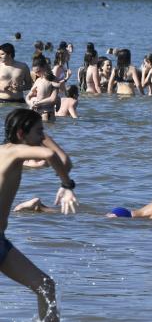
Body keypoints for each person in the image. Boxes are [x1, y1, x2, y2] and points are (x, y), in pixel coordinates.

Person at [1, 108, 79, 322]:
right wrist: (67, 185)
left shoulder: (12, 154)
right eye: (39, 132)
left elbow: (64, 161)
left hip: (1, 242)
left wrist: (39, 135)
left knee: (45, 285)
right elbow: (50, 155)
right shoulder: (14, 152)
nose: (44, 137)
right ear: (20, 134)